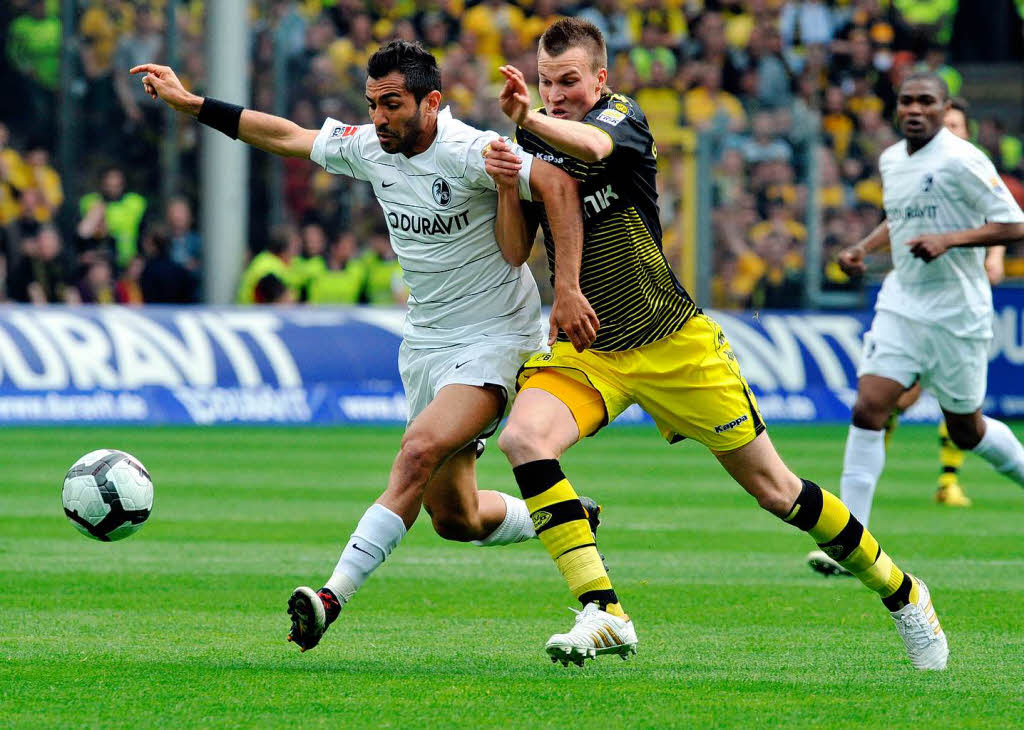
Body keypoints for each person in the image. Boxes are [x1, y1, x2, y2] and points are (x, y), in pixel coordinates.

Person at [483, 18, 948, 670]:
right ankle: (604, 609)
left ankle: (904, 594)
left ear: (600, 79)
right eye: (545, 83)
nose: (555, 94)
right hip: (592, 348)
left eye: (568, 82)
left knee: (777, 492)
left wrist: (530, 118)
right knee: (523, 439)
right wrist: (509, 182)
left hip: (673, 344)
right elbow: (512, 250)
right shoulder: (531, 136)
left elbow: (588, 147)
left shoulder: (622, 119)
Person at [131, 40, 586, 654]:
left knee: (416, 452)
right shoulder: (372, 148)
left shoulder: (474, 151)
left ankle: (329, 597)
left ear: (431, 101)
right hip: (424, 344)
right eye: (372, 104)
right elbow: (287, 136)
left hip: (495, 338)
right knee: (454, 518)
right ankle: (564, 516)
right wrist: (192, 104)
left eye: (391, 104)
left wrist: (567, 290)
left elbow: (557, 186)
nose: (378, 118)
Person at [805, 73, 1024, 582]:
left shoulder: (962, 158)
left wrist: (951, 240)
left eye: (926, 101)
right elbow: (899, 218)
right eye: (907, 101)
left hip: (958, 310)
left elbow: (1014, 224)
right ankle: (850, 537)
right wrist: (863, 247)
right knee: (869, 407)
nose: (915, 109)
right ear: (896, 108)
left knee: (967, 430)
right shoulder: (891, 159)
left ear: (943, 107)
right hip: (904, 301)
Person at [875, 97, 1006, 512]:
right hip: (915, 301)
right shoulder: (911, 165)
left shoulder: (969, 165)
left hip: (958, 304)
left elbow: (1001, 219)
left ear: (965, 132)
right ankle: (863, 494)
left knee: (963, 414)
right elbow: (897, 217)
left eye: (955, 124)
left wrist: (995, 257)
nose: (947, 130)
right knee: (896, 397)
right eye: (943, 122)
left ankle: (948, 481)